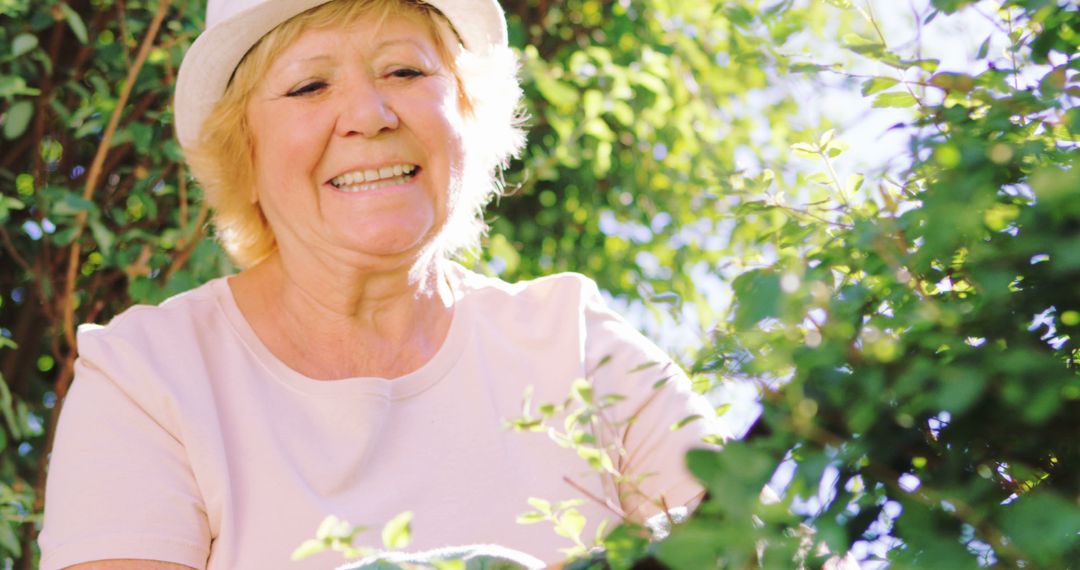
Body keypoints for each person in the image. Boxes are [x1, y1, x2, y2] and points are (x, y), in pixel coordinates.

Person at [38, 0, 722, 568]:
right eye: (310, 85)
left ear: (465, 115)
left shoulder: (575, 343)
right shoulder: (150, 378)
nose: (369, 114)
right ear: (242, 149)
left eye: (404, 70)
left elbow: (752, 544)